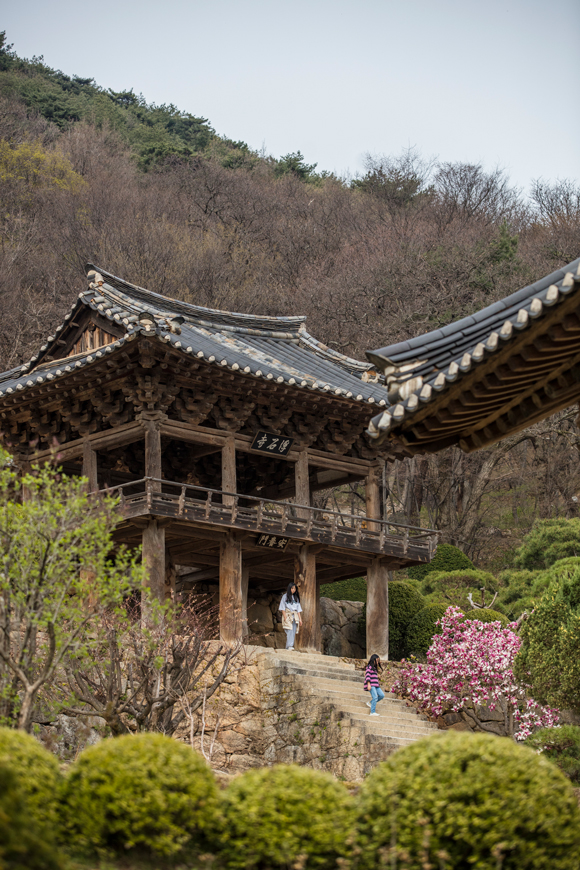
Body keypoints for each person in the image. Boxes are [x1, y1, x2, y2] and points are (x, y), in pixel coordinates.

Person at [279, 583, 302, 650]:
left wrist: (300, 619)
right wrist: (285, 617)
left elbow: (298, 610)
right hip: (288, 614)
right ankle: (289, 645)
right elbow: (282, 608)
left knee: (293, 630)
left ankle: (289, 646)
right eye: (292, 588)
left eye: (294, 588)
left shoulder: (296, 598)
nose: (293, 590)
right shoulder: (285, 596)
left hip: (295, 615)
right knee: (289, 629)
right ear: (289, 589)